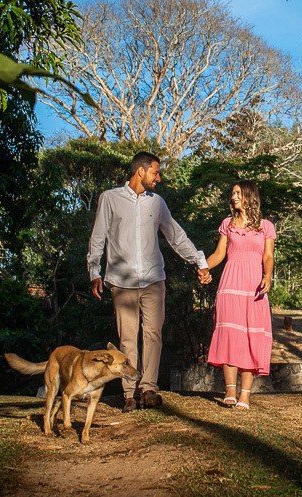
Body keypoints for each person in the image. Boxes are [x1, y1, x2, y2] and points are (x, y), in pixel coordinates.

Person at [88, 151, 212, 412]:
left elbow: (176, 236)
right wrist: (94, 272)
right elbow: (98, 237)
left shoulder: (157, 203)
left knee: (154, 335)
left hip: (154, 279)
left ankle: (149, 389)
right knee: (127, 339)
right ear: (140, 172)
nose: (159, 177)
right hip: (121, 283)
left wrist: (199, 261)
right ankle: (129, 394)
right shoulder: (109, 199)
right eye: (156, 172)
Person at [205, 180, 275, 409]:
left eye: (237, 193)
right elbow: (218, 254)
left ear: (249, 196)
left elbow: (268, 256)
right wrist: (203, 267)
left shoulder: (266, 226)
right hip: (229, 286)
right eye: (232, 192)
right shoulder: (227, 224)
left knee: (250, 338)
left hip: (254, 287)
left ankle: (245, 395)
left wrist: (268, 275)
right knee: (229, 336)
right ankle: (230, 391)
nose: (233, 196)